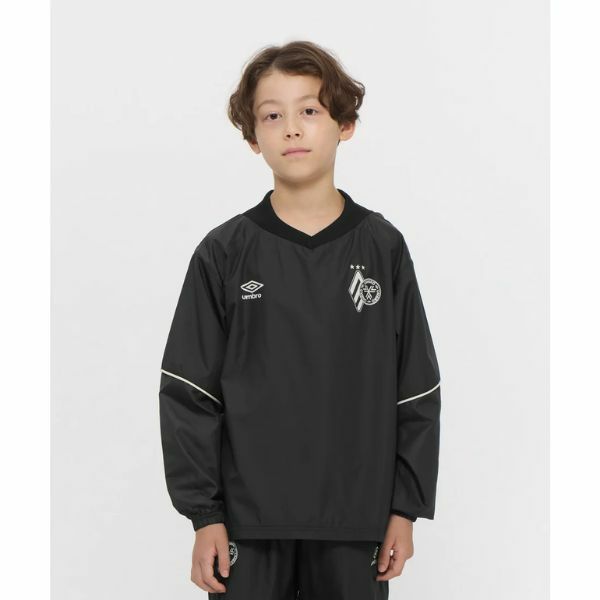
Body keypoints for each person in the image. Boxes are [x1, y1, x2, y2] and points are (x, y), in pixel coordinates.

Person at [159, 40, 442, 599]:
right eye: (272, 115)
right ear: (252, 137)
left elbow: (415, 387)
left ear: (345, 125)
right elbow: (189, 390)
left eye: (309, 110)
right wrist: (204, 515)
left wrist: (404, 509)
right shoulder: (224, 253)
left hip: (355, 519)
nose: (291, 128)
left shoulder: (382, 247)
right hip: (247, 522)